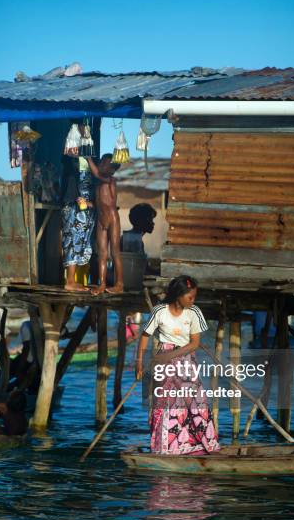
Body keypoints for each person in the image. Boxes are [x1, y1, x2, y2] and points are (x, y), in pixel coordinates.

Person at [136, 275, 220, 456]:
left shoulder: (194, 312)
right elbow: (144, 336)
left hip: (185, 359)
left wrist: (170, 355)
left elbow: (194, 343)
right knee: (165, 403)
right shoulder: (160, 311)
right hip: (163, 364)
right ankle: (165, 448)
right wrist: (139, 364)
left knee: (196, 402)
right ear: (178, 295)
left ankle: (202, 445)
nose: (193, 301)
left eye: (194, 297)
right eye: (190, 297)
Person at [87, 155, 123, 295]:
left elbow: (95, 173)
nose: (101, 165)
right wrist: (87, 204)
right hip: (101, 220)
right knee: (102, 254)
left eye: (104, 163)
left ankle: (119, 284)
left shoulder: (110, 180)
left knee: (115, 252)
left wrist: (88, 159)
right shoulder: (98, 184)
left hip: (112, 219)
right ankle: (101, 284)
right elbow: (98, 203)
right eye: (100, 162)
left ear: (112, 169)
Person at [61, 154, 96, 291]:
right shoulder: (74, 176)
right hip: (75, 212)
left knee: (76, 244)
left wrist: (89, 204)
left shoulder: (79, 176)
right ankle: (70, 281)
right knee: (73, 243)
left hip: (81, 212)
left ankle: (72, 281)